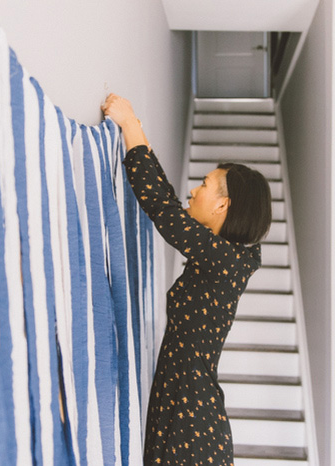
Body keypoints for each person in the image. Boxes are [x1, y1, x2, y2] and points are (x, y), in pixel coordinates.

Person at [102, 94, 272, 466]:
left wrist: (130, 124)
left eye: (206, 184)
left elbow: (162, 209)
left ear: (222, 205)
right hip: (183, 402)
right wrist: (138, 139)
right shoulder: (224, 257)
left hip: (190, 417)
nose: (194, 190)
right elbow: (167, 202)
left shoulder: (224, 259)